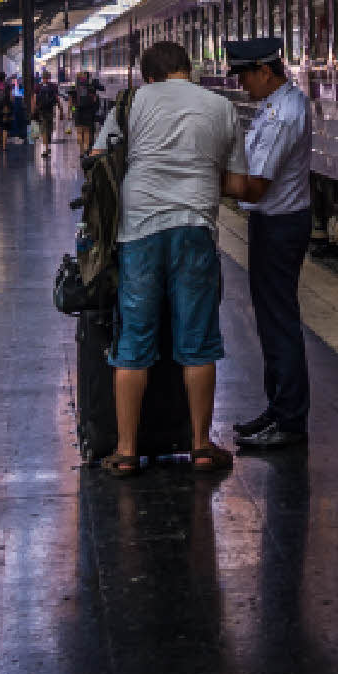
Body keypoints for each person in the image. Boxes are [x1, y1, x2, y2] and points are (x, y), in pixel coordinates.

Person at [100, 39, 240, 475]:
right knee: (198, 341)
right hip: (195, 226)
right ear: (187, 69)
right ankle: (200, 446)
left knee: (134, 341)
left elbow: (99, 160)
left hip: (139, 229)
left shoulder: (132, 102)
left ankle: (126, 451)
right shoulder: (220, 106)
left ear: (149, 76)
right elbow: (234, 181)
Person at [224, 37, 312, 451]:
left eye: (244, 75)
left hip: (279, 227)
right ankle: (277, 409)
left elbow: (256, 187)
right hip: (274, 224)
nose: (241, 84)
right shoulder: (275, 105)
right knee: (271, 321)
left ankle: (289, 419)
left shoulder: (282, 115)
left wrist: (203, 179)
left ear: (264, 70)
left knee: (279, 324)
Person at [69, 72, 104, 156]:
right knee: (87, 131)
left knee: (79, 132)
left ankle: (81, 151)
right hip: (89, 112)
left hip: (78, 112)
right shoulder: (91, 84)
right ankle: (86, 149)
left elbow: (71, 101)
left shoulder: (74, 86)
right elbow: (102, 89)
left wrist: (73, 111)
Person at [31, 74, 59, 153]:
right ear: (49, 77)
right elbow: (56, 98)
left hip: (41, 110)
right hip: (50, 110)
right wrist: (61, 109)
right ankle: (47, 145)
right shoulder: (53, 86)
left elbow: (34, 98)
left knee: (44, 129)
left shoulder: (38, 86)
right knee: (49, 128)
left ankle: (46, 148)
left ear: (42, 78)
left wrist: (33, 109)